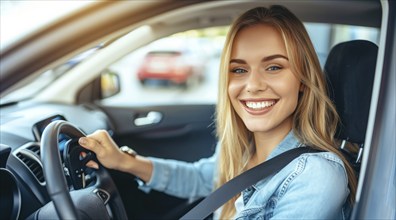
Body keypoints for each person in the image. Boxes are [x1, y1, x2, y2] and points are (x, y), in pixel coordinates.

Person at [79, 5, 357, 219]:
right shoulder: (240, 145)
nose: (253, 85)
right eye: (239, 69)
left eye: (273, 67)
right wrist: (125, 162)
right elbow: (201, 179)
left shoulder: (316, 176)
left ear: (303, 81)